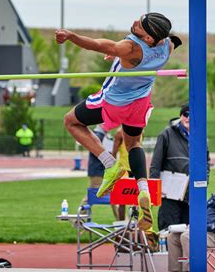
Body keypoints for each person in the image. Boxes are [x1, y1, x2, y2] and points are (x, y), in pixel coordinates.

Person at [56, 12, 182, 231]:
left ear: (150, 38)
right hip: (140, 103)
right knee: (134, 144)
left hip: (114, 102)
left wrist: (70, 36)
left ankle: (109, 164)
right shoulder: (167, 46)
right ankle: (142, 189)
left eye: (141, 25)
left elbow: (95, 44)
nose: (135, 23)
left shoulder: (130, 49)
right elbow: (170, 39)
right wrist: (116, 56)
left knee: (71, 121)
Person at [150, 104, 190, 231]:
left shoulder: (200, 137)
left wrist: (204, 182)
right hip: (170, 192)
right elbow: (155, 164)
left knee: (188, 231)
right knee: (169, 229)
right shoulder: (166, 134)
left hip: (191, 193)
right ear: (180, 116)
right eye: (186, 114)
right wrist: (153, 189)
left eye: (192, 115)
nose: (189, 118)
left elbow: (206, 163)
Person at [80, 124, 119, 220]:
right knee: (92, 195)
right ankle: (78, 218)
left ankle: (121, 220)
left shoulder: (101, 135)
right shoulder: (98, 136)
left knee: (110, 194)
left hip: (99, 169)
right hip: (98, 170)